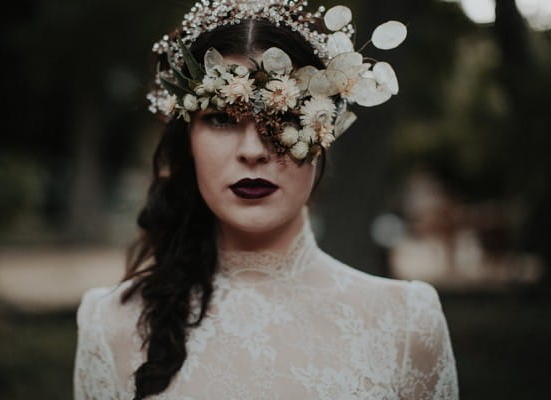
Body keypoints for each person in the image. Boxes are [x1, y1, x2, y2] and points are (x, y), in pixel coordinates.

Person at [73, 1, 459, 399]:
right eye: (221, 118)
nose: (253, 151)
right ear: (188, 141)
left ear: (325, 131)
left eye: (285, 116)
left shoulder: (406, 323)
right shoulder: (111, 324)